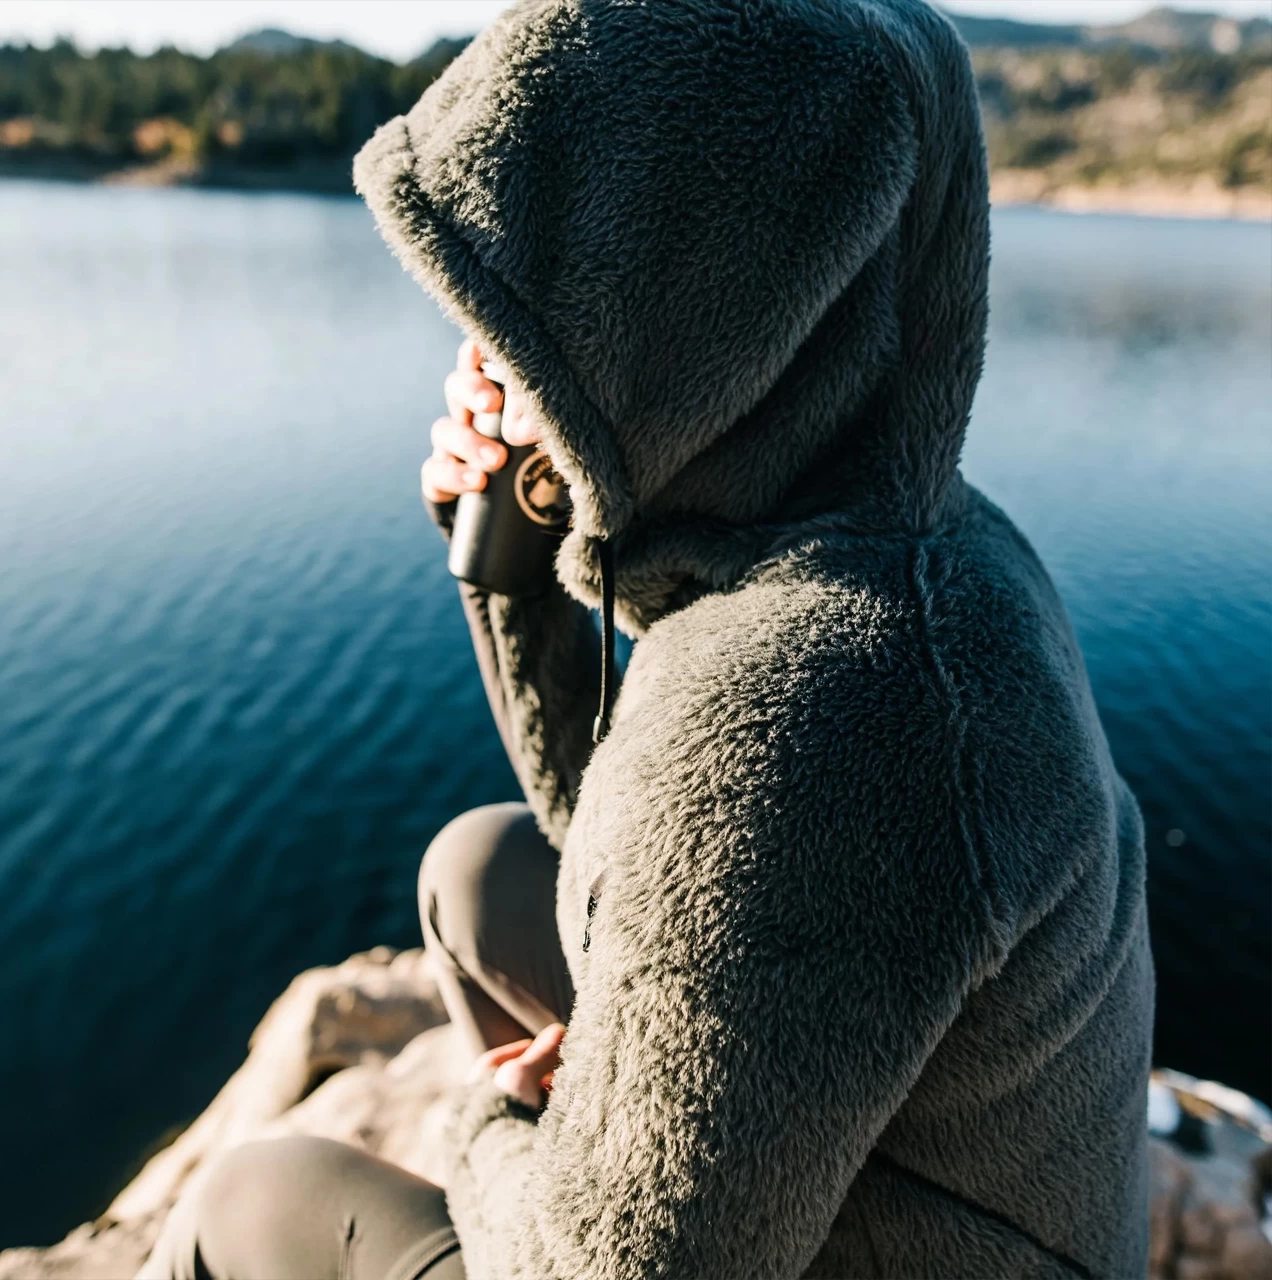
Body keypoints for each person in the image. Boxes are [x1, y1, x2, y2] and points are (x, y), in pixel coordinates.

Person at [139, 0, 1155, 1276]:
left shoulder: (810, 708)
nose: (490, 358)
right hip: (923, 1189)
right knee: (478, 872)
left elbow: (619, 1261)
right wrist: (515, 550)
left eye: (528, 309)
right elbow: (628, 836)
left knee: (256, 1196)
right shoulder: (911, 544)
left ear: (678, 303)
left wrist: (495, 1129)